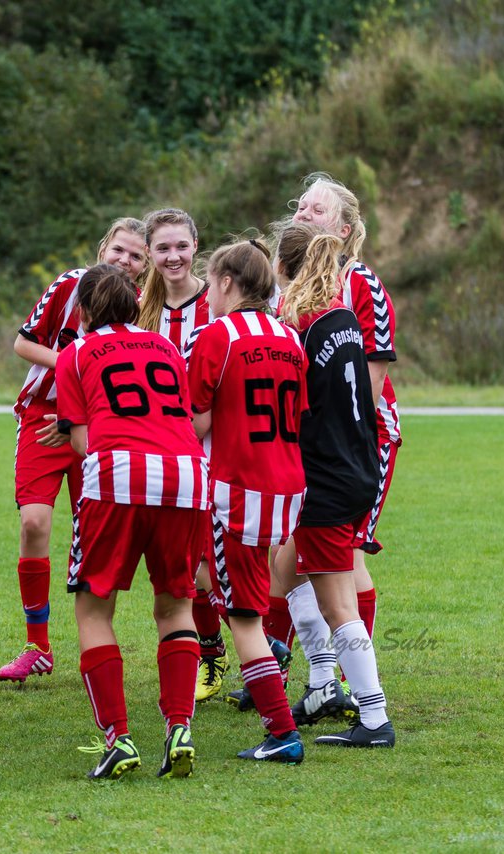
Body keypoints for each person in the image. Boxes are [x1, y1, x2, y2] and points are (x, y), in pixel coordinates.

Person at [54, 264, 209, 780]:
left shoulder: (75, 353)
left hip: (119, 476)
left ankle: (118, 739)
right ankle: (179, 727)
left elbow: (81, 442)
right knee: (175, 604)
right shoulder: (165, 346)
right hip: (187, 475)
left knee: (95, 610)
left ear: (83, 310)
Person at [0, 217, 147, 683]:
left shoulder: (142, 306)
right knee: (34, 523)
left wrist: (80, 417)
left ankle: (94, 645)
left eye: (136, 256)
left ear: (145, 267)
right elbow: (23, 344)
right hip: (44, 421)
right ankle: (36, 645)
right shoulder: (70, 285)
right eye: (119, 250)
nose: (124, 260)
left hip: (97, 431)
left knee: (96, 544)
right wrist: (72, 367)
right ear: (104, 246)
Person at [264, 173, 400, 663]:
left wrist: (330, 438)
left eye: (315, 210)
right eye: (300, 206)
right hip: (311, 440)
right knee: (287, 558)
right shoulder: (285, 285)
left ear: (344, 230)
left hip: (360, 440)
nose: (302, 213)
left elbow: (372, 379)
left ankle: (345, 677)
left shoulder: (359, 281)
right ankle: (278, 668)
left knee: (345, 556)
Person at [186, 237, 306, 763]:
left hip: (236, 488)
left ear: (228, 283)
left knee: (243, 618)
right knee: (218, 581)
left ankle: (282, 732)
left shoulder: (217, 335)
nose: (208, 293)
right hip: (285, 487)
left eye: (210, 283)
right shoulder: (288, 336)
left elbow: (198, 420)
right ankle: (272, 656)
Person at [135, 208, 227, 702]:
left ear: (196, 245)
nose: (173, 256)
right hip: (159, 450)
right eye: (162, 248)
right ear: (149, 252)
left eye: (181, 246)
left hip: (213, 445)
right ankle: (210, 653)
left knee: (220, 565)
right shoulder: (137, 305)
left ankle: (267, 654)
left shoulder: (218, 302)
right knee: (184, 566)